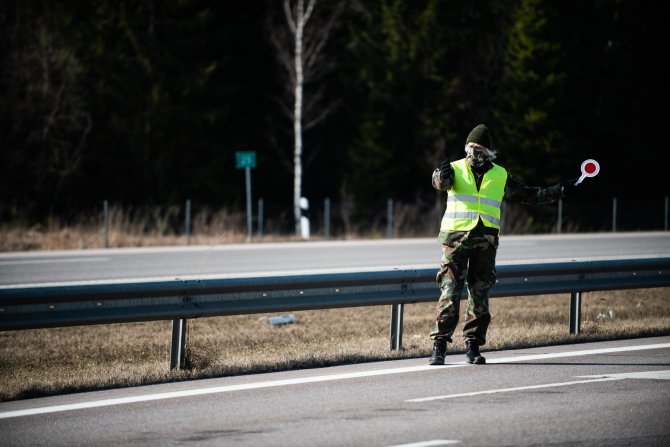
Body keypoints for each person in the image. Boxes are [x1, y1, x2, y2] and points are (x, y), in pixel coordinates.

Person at [429, 123, 579, 365]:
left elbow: (530, 195)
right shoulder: (454, 169)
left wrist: (560, 190)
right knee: (449, 292)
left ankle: (473, 346)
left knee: (479, 295)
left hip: (485, 242)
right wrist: (441, 175)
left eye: (478, 149)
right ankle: (439, 345)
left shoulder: (500, 174)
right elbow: (439, 184)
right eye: (469, 148)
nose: (473, 154)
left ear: (488, 152)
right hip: (455, 241)